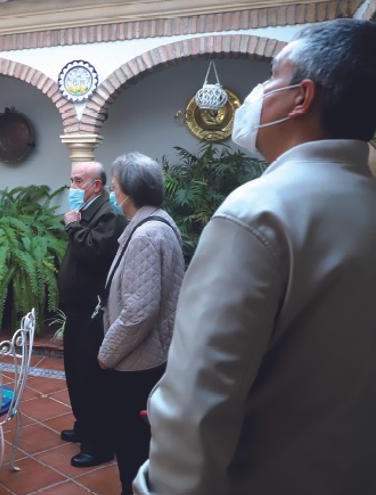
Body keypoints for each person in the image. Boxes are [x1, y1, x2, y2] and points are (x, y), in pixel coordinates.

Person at [134, 19, 376, 494]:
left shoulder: (259, 211)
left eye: (272, 76)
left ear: (302, 98)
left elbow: (198, 400)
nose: (259, 91)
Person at [96, 152, 184, 495]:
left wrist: (107, 353)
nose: (113, 195)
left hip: (137, 362)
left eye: (115, 188)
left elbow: (138, 312)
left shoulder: (147, 235)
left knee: (132, 446)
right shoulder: (157, 223)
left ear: (128, 193)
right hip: (152, 355)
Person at [57, 161, 127, 468]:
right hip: (78, 310)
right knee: (76, 373)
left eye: (78, 181)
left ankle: (99, 445)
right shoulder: (89, 210)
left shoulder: (108, 214)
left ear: (96, 186)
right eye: (71, 180)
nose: (72, 187)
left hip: (93, 311)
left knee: (91, 378)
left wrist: (72, 225)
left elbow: (95, 251)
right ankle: (84, 426)